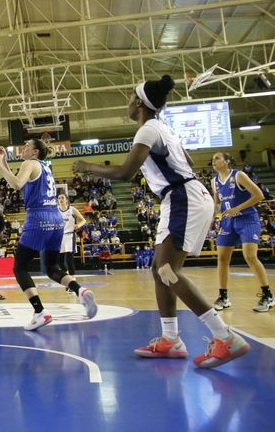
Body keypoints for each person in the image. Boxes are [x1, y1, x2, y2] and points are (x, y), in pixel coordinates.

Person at [73, 74, 249, 369]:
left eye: (131, 97)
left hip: (183, 197)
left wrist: (87, 166)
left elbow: (125, 173)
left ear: (140, 103)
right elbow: (188, 163)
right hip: (180, 196)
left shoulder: (149, 129)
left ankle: (225, 337)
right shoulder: (162, 128)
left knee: (166, 269)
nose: (128, 102)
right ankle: (170, 339)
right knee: (159, 270)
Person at [0, 140, 97, 331]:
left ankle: (40, 312)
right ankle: (80, 291)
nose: (22, 147)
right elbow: (19, 180)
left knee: (20, 268)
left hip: (38, 217)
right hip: (56, 219)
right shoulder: (43, 167)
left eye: (26, 145)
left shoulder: (29, 163)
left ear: (35, 152)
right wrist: (5, 162)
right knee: (52, 268)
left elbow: (16, 184)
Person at [210, 151, 273, 312]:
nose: (214, 161)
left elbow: (259, 195)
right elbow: (217, 205)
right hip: (227, 221)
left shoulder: (239, 176)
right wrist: (209, 217)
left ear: (227, 161)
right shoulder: (214, 181)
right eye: (212, 159)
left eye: (217, 158)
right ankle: (223, 297)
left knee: (250, 256)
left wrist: (237, 208)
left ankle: (268, 295)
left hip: (247, 219)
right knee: (222, 259)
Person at [58, 193, 87, 280]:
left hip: (70, 236)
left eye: (62, 198)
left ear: (66, 200)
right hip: (59, 237)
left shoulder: (72, 210)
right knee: (59, 262)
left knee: (68, 260)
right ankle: (67, 275)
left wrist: (78, 225)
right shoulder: (55, 210)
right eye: (59, 198)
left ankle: (72, 280)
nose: (60, 199)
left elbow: (83, 220)